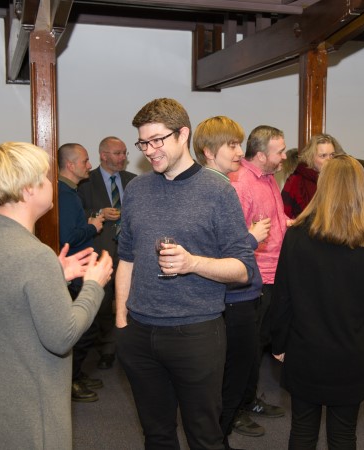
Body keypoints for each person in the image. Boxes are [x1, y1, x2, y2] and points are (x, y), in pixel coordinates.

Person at [115, 98, 257, 450]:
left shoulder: (218, 190)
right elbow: (127, 259)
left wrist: (193, 263)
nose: (149, 151)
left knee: (204, 436)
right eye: (143, 143)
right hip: (140, 332)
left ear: (183, 134)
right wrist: (121, 320)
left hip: (196, 333)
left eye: (157, 140)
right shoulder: (136, 190)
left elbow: (243, 270)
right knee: (157, 435)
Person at [0, 142, 112, 450]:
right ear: (29, 189)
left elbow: (7, 299)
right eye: (45, 177)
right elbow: (62, 335)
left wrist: (52, 273)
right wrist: (94, 285)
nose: (52, 183)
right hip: (26, 412)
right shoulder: (33, 255)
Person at [271, 154, 364, 449]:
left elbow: (282, 298)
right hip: (351, 355)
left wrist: (278, 344)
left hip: (304, 351)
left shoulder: (296, 236)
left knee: (301, 430)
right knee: (343, 435)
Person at [194, 115, 269, 450]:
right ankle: (215, 441)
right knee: (229, 380)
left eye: (239, 144)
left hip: (240, 296)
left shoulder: (217, 185)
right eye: (232, 145)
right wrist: (251, 238)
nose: (241, 151)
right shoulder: (215, 188)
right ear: (209, 151)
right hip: (232, 299)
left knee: (231, 378)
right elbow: (218, 252)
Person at [228, 125, 290, 437]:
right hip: (255, 278)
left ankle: (249, 399)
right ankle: (235, 409)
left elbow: (272, 223)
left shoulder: (268, 178)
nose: (284, 156)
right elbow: (236, 238)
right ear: (262, 154)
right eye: (280, 151)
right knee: (245, 349)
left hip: (274, 273)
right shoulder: (241, 183)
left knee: (258, 344)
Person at [78, 136, 137, 370]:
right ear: (103, 155)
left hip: (128, 249)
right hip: (100, 248)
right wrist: (99, 212)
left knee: (128, 298)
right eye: (117, 153)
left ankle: (122, 345)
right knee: (102, 302)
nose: (123, 158)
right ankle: (105, 348)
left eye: (124, 153)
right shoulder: (85, 182)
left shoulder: (133, 181)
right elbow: (77, 213)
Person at [58, 143, 106, 402]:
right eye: (85, 161)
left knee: (90, 328)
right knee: (84, 330)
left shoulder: (69, 192)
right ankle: (70, 381)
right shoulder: (65, 195)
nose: (89, 165)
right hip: (75, 271)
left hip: (78, 268)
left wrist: (86, 223)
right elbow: (67, 237)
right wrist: (93, 227)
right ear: (71, 165)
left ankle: (75, 376)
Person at [281, 134, 364, 241]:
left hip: (339, 239)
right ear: (311, 158)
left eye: (332, 155)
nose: (329, 160)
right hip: (308, 240)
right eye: (323, 156)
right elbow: (283, 215)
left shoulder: (341, 178)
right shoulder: (296, 180)